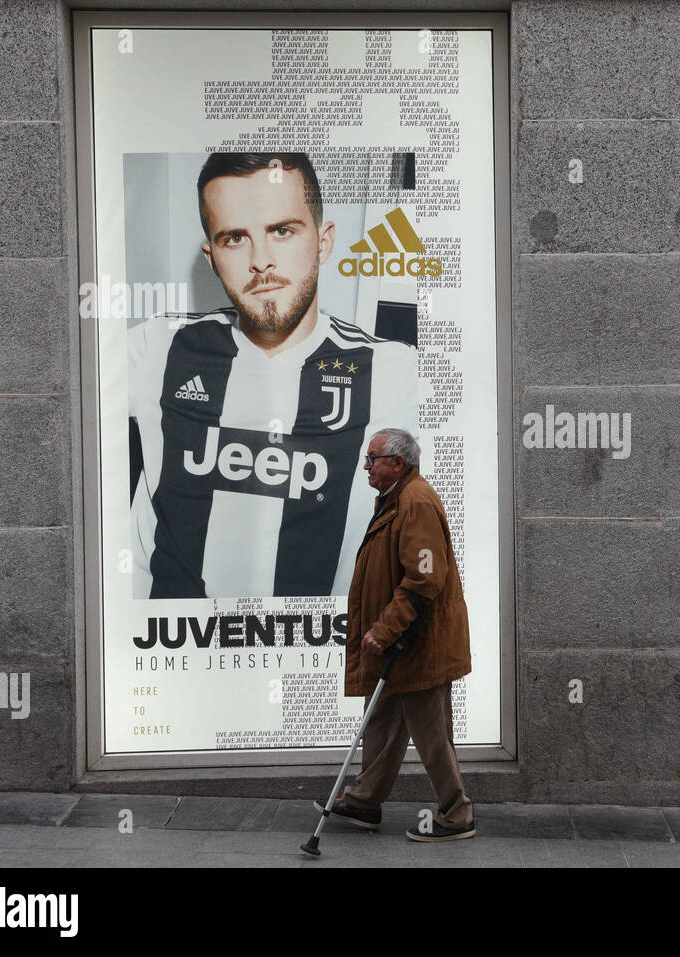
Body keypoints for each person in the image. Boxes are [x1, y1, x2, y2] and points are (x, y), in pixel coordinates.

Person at [128, 152, 417, 598]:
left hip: (319, 653)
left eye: (282, 231)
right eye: (235, 238)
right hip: (176, 652)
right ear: (211, 257)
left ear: (323, 242)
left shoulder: (395, 372)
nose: (261, 260)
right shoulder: (157, 347)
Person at [316, 428, 475, 842]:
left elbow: (424, 578)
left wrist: (386, 629)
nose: (366, 466)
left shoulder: (415, 502)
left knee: (432, 733)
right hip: (399, 643)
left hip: (418, 643)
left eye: (372, 458)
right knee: (383, 722)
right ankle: (365, 802)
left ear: (398, 464)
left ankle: (457, 815)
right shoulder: (395, 500)